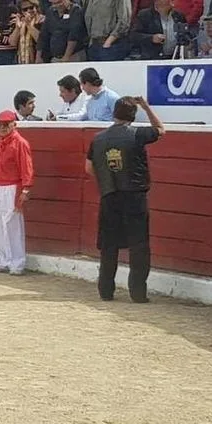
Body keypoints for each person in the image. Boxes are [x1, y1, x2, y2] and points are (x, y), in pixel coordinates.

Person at [85, 96, 164, 303]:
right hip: (134, 196)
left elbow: (88, 167)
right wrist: (146, 106)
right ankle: (137, 293)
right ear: (133, 115)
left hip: (109, 195)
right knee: (138, 245)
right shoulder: (137, 134)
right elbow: (160, 129)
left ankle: (106, 291)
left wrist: (105, 180)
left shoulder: (98, 138)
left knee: (109, 246)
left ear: (114, 114)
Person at [0, 110, 34, 276]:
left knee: (12, 225)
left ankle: (17, 262)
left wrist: (26, 188)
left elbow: (26, 167)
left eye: (6, 125)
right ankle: (3, 260)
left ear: (14, 124)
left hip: (12, 186)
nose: (2, 128)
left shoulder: (20, 143)